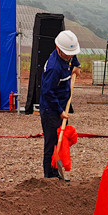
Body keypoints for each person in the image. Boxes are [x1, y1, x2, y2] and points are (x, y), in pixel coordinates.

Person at [39, 30, 81, 178]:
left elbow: (74, 58)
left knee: (61, 140)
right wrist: (59, 110)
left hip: (63, 104)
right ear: (59, 49)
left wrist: (77, 66)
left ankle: (58, 172)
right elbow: (47, 92)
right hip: (50, 109)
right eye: (67, 54)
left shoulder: (67, 52)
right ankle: (49, 177)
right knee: (51, 143)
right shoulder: (53, 68)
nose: (70, 56)